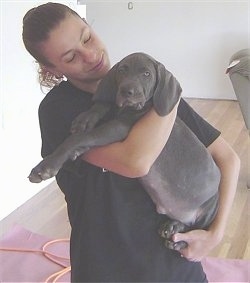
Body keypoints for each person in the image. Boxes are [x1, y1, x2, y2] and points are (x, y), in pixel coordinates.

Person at [22, 2, 240, 282]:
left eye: (87, 37)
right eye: (71, 57)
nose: (90, 55)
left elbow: (228, 158)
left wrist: (216, 234)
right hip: (107, 268)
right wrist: (167, 95)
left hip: (173, 264)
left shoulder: (151, 84)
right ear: (51, 69)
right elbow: (135, 161)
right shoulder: (59, 110)